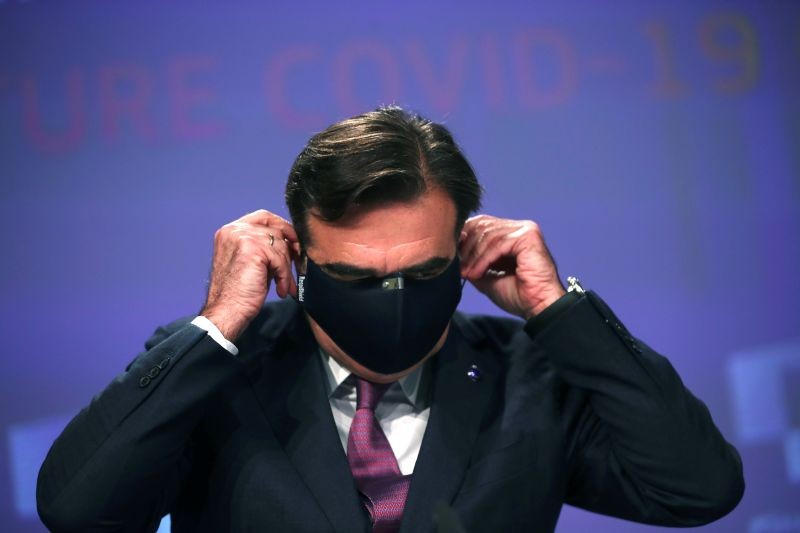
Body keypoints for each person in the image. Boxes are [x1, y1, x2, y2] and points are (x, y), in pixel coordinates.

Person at [36, 106, 744, 532]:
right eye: (352, 277)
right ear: (298, 254)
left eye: (422, 273)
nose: (393, 300)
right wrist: (219, 321)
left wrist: (559, 310)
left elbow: (699, 488)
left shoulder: (533, 375)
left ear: (464, 246)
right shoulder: (218, 371)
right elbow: (79, 511)